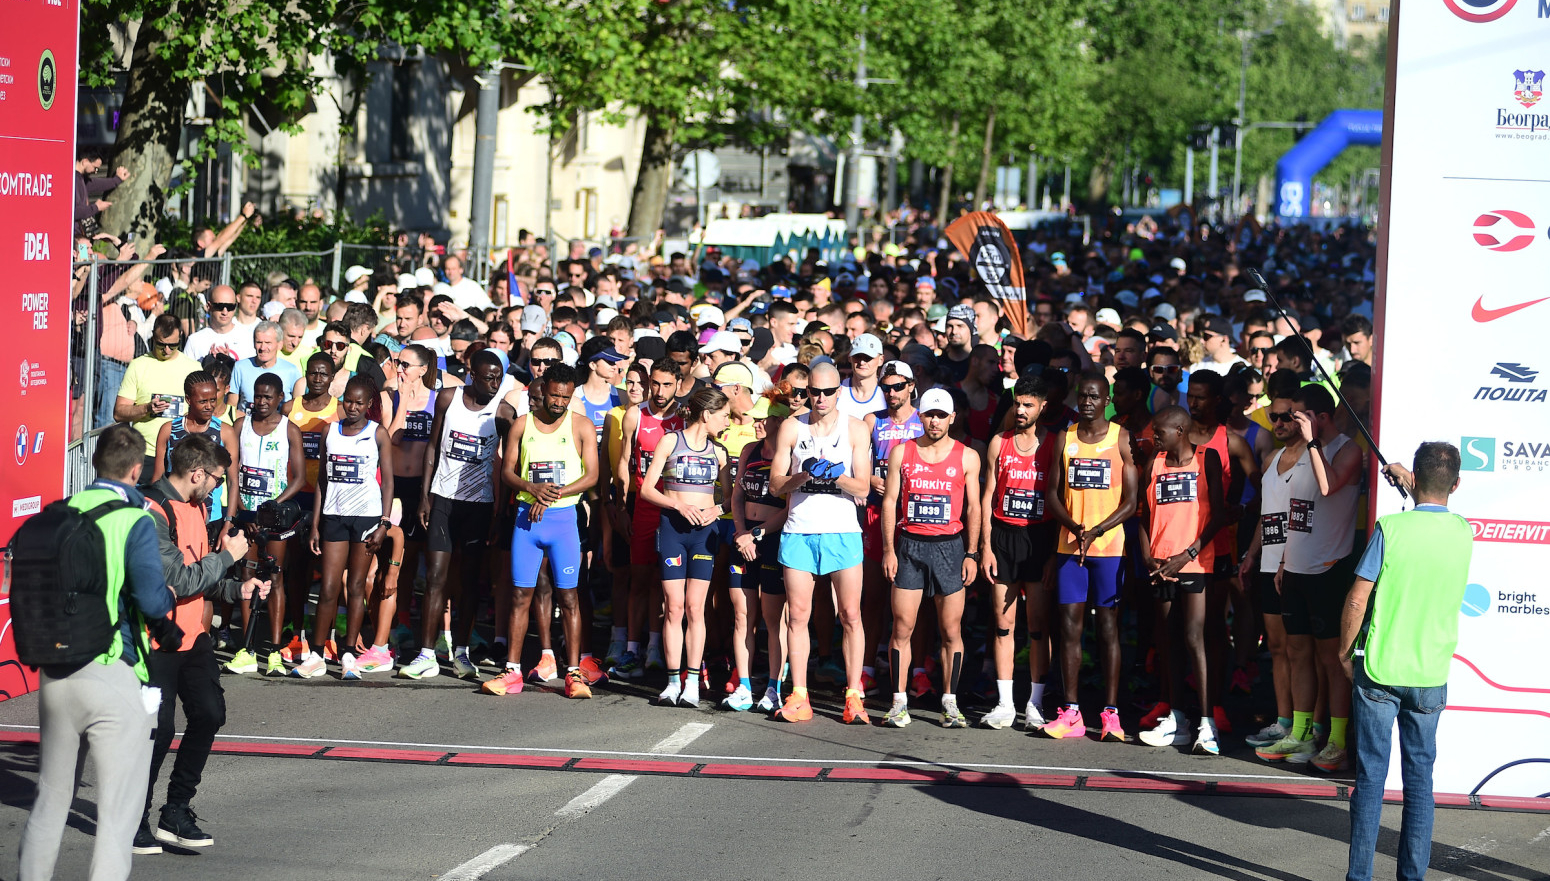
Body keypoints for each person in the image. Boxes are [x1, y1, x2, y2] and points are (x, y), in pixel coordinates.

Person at [17, 423, 177, 881]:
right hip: (112, 670)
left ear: (94, 464)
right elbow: (151, 600)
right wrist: (165, 597)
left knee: (50, 799)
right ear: (137, 469)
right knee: (117, 813)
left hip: (56, 671)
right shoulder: (135, 519)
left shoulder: (62, 512)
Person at [1342, 444, 1472, 881]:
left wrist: (1344, 653)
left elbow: (1358, 598)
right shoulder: (1463, 531)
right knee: (1420, 785)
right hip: (1430, 674)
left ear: (1413, 477)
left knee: (1371, 780)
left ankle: (1358, 876)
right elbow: (1433, 504)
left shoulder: (1390, 528)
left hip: (1380, 669)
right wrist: (1415, 483)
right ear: (1457, 484)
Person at [137, 433, 266, 856]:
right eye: (216, 478)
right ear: (196, 472)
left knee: (209, 714)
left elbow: (202, 579)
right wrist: (229, 556)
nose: (218, 486)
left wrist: (237, 590)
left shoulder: (197, 506)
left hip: (194, 637)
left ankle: (176, 809)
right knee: (156, 732)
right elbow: (181, 579)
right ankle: (133, 815)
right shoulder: (153, 512)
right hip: (155, 642)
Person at [1253, 384, 1363, 771]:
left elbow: (1329, 486)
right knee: (1298, 653)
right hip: (1295, 567)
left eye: (1299, 415)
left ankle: (1335, 740)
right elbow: (1296, 511)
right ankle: (1299, 731)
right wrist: (1283, 560)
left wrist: (1314, 443)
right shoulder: (1300, 451)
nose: (1292, 421)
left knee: (1332, 661)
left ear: (1321, 418)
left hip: (1328, 569)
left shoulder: (1348, 450)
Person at [486, 363, 599, 698]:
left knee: (569, 598)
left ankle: (574, 672)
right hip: (527, 520)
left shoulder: (581, 426)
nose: (559, 402)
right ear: (542, 390)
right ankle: (512, 671)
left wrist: (552, 494)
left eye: (566, 397)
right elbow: (507, 472)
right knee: (521, 595)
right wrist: (530, 488)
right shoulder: (521, 426)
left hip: (563, 520)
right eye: (554, 395)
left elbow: (592, 476)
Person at [401, 351, 517, 681]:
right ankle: (426, 654)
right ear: (472, 375)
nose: (495, 384)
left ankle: (462, 653)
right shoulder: (448, 399)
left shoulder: (503, 413)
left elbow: (508, 465)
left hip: (479, 506)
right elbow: (432, 448)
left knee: (468, 582)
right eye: (488, 378)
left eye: (498, 377)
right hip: (443, 500)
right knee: (436, 578)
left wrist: (499, 511)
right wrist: (425, 496)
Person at [768, 361, 873, 724]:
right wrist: (802, 475)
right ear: (806, 392)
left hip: (842, 532)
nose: (822, 398)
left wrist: (837, 476)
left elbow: (864, 487)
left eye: (829, 391)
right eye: (815, 391)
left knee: (850, 615)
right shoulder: (792, 427)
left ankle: (854, 694)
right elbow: (775, 484)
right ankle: (799, 694)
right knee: (797, 615)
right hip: (799, 530)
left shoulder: (856, 429)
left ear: (839, 392)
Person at [1041, 369, 1139, 742]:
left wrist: (1097, 529)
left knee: (1108, 629)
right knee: (1069, 629)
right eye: (1082, 395)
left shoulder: (1121, 438)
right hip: (1071, 546)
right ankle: (1072, 712)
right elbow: (1052, 493)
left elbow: (1131, 502)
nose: (1087, 402)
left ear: (1107, 400)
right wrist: (1074, 526)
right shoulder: (1064, 438)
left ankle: (1111, 713)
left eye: (1095, 396)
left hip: (1109, 549)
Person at [879, 388, 982, 729]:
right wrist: (889, 550)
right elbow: (890, 501)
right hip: (909, 545)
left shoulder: (967, 456)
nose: (934, 421)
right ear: (919, 417)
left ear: (953, 417)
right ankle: (898, 701)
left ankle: (950, 702)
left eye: (941, 415)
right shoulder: (902, 452)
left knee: (951, 629)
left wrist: (971, 552)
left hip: (949, 547)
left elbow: (973, 507)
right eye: (929, 415)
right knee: (903, 626)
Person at [1135, 406, 1228, 755]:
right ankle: (1177, 720)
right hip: (1160, 565)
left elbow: (1218, 514)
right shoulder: (1154, 463)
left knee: (1194, 637)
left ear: (1179, 430)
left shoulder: (1208, 459)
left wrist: (1187, 554)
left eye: (1159, 432)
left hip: (1194, 563)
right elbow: (1143, 517)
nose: (1154, 437)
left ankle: (1208, 723)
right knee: (1168, 641)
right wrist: (1148, 557)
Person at [639, 386, 732, 707]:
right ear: (707, 415)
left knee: (695, 608)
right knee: (673, 607)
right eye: (723, 415)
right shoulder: (670, 440)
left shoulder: (719, 451)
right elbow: (648, 490)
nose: (728, 421)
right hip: (673, 529)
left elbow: (730, 498)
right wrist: (678, 506)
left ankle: (692, 682)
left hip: (704, 534)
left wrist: (715, 510)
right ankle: (671, 681)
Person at [296, 376, 394, 678]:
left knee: (355, 588)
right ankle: (316, 653)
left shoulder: (378, 434)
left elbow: (388, 481)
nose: (352, 407)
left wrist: (384, 523)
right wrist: (315, 524)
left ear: (368, 405)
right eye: (348, 401)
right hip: (333, 517)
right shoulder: (330, 431)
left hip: (366, 518)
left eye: (359, 402)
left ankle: (349, 653)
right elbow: (322, 481)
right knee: (328, 587)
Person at [979, 374, 1057, 730]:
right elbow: (987, 497)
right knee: (1003, 624)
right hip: (1004, 537)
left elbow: (1061, 500)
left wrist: (1055, 553)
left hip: (1039, 538)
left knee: (1038, 627)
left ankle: (1036, 703)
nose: (1021, 410)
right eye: (1017, 403)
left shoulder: (1054, 443)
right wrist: (984, 546)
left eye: (1028, 404)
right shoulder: (999, 442)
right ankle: (1005, 703)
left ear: (1043, 406)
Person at [225, 373, 305, 677]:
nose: (261, 402)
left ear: (280, 397)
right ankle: (246, 649)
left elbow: (300, 478)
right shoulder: (240, 426)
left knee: (275, 579)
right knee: (246, 576)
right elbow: (231, 473)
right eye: (257, 396)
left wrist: (272, 508)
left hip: (276, 520)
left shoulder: (289, 429)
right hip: (247, 518)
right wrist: (245, 511)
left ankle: (273, 652)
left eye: (268, 397)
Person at [611, 360, 684, 678]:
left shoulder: (684, 417)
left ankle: (655, 648)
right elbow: (625, 463)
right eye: (655, 383)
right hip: (642, 509)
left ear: (678, 385)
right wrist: (622, 508)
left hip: (675, 510)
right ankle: (631, 649)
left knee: (664, 583)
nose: (659, 390)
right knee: (638, 579)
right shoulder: (635, 415)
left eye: (667, 384)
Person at [729, 388, 794, 712]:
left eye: (762, 419)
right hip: (744, 540)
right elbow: (737, 496)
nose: (755, 423)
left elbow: (790, 507)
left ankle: (773, 687)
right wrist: (742, 532)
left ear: (778, 422)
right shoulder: (749, 450)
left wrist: (757, 533)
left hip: (771, 540)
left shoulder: (790, 458)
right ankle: (743, 685)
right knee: (742, 616)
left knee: (773, 620)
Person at [862, 361, 924, 696]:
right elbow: (859, 462)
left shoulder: (925, 418)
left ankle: (918, 669)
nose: (892, 393)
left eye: (898, 386)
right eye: (886, 387)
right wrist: (871, 478)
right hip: (877, 512)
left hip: (914, 515)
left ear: (912, 386)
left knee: (919, 600)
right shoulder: (873, 420)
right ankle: (868, 668)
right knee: (873, 596)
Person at [115, 314, 202, 475]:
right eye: (161, 344)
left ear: (180, 337)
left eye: (173, 345)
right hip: (145, 455)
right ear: (153, 335)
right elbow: (119, 413)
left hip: (181, 455)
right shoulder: (138, 365)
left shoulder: (194, 368)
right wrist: (147, 408)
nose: (167, 350)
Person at [150, 371, 239, 523]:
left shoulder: (225, 432)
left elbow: (233, 481)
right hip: (174, 515)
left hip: (211, 518)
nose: (209, 406)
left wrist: (229, 521)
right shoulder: (169, 430)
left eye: (213, 400)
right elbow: (158, 478)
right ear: (188, 399)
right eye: (203, 401)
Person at [229, 321, 302, 414]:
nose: (263, 348)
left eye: (268, 343)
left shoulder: (291, 371)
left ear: (279, 344)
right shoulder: (240, 367)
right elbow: (231, 406)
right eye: (259, 342)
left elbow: (298, 408)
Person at [182, 285, 255, 363]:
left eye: (230, 307)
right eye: (219, 306)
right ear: (209, 306)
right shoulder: (194, 341)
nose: (225, 312)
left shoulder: (248, 339)